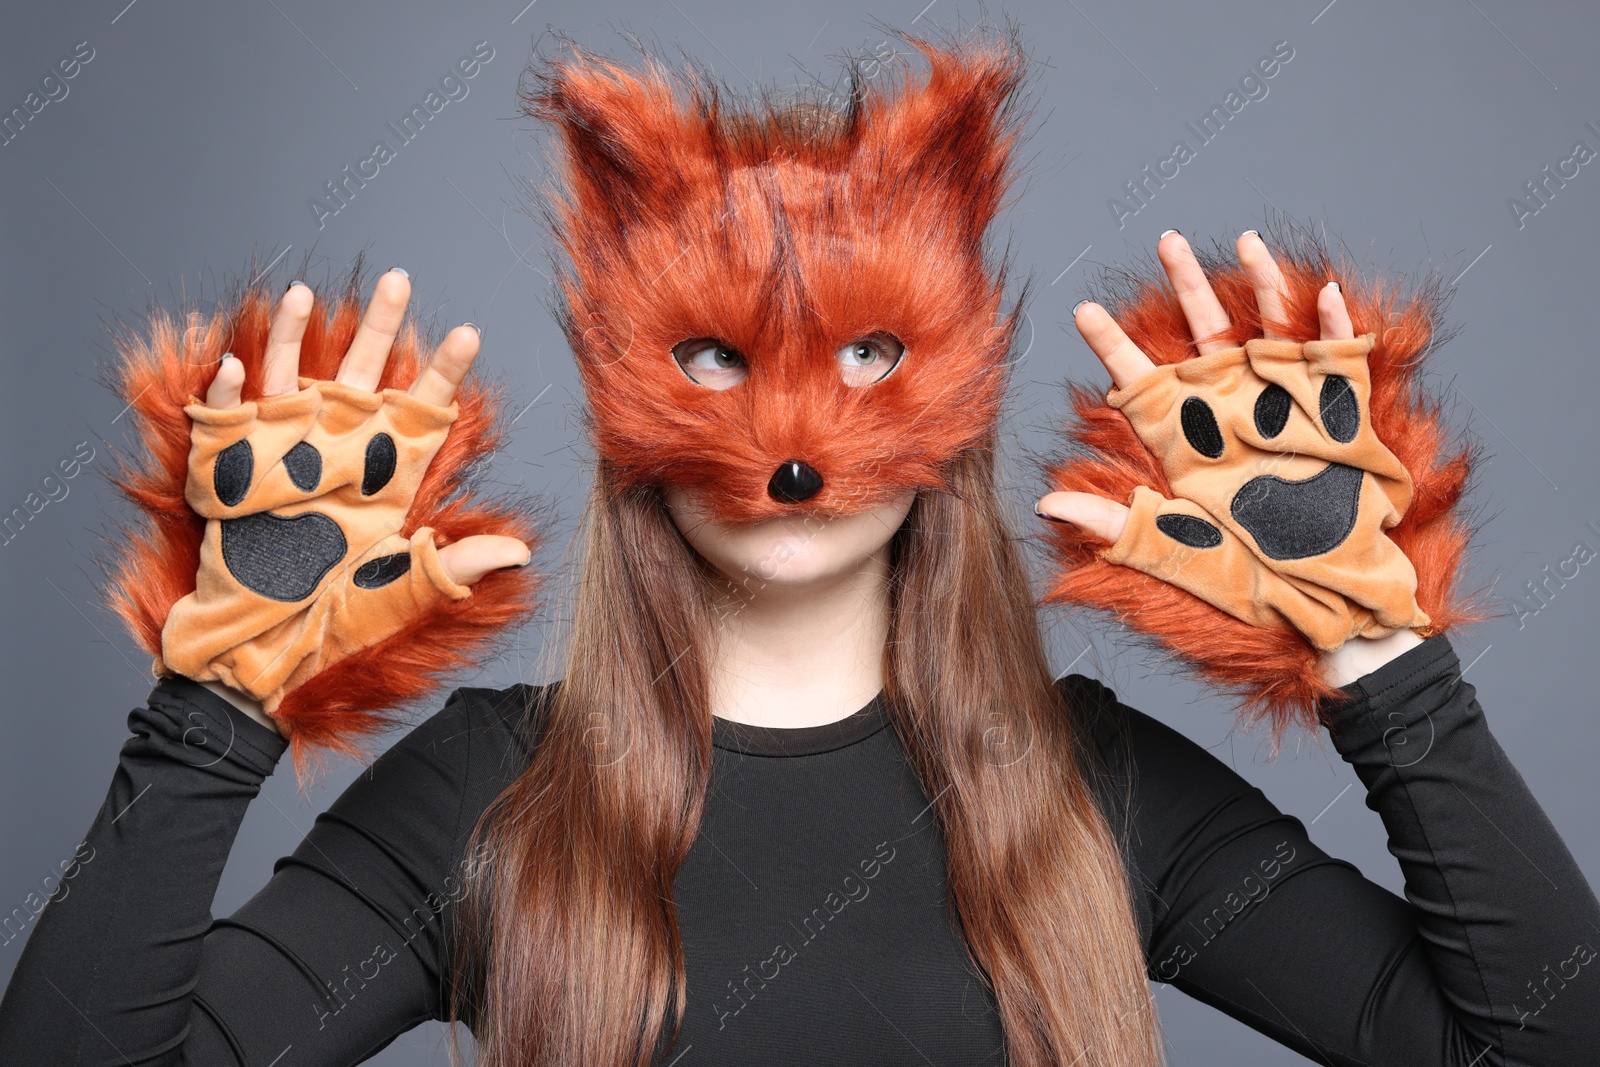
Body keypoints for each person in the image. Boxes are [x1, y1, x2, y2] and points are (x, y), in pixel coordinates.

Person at [2, 27, 1597, 1067]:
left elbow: (1543, 1041)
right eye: (709, 359)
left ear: (956, 397)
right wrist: (208, 709)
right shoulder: (498, 797)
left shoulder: (1087, 793)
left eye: (861, 359)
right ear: (623, 389)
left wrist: (1385, 664)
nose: (787, 436)